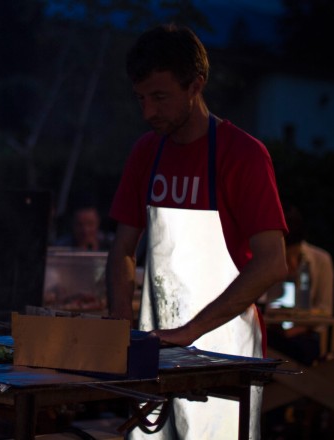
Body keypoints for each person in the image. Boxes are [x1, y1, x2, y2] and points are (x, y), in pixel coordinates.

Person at [105, 24, 288, 439]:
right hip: (154, 352)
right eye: (141, 98)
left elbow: (272, 262)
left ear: (196, 85)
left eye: (160, 97)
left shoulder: (243, 154)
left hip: (225, 355)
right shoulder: (145, 153)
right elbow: (122, 250)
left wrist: (192, 330)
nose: (148, 111)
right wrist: (118, 326)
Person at [265, 203, 334, 365]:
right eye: (285, 258)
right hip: (275, 332)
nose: (291, 264)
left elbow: (325, 310)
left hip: (306, 335)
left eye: (293, 256)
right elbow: (266, 303)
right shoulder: (268, 261)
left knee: (297, 348)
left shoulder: (320, 261)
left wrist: (296, 327)